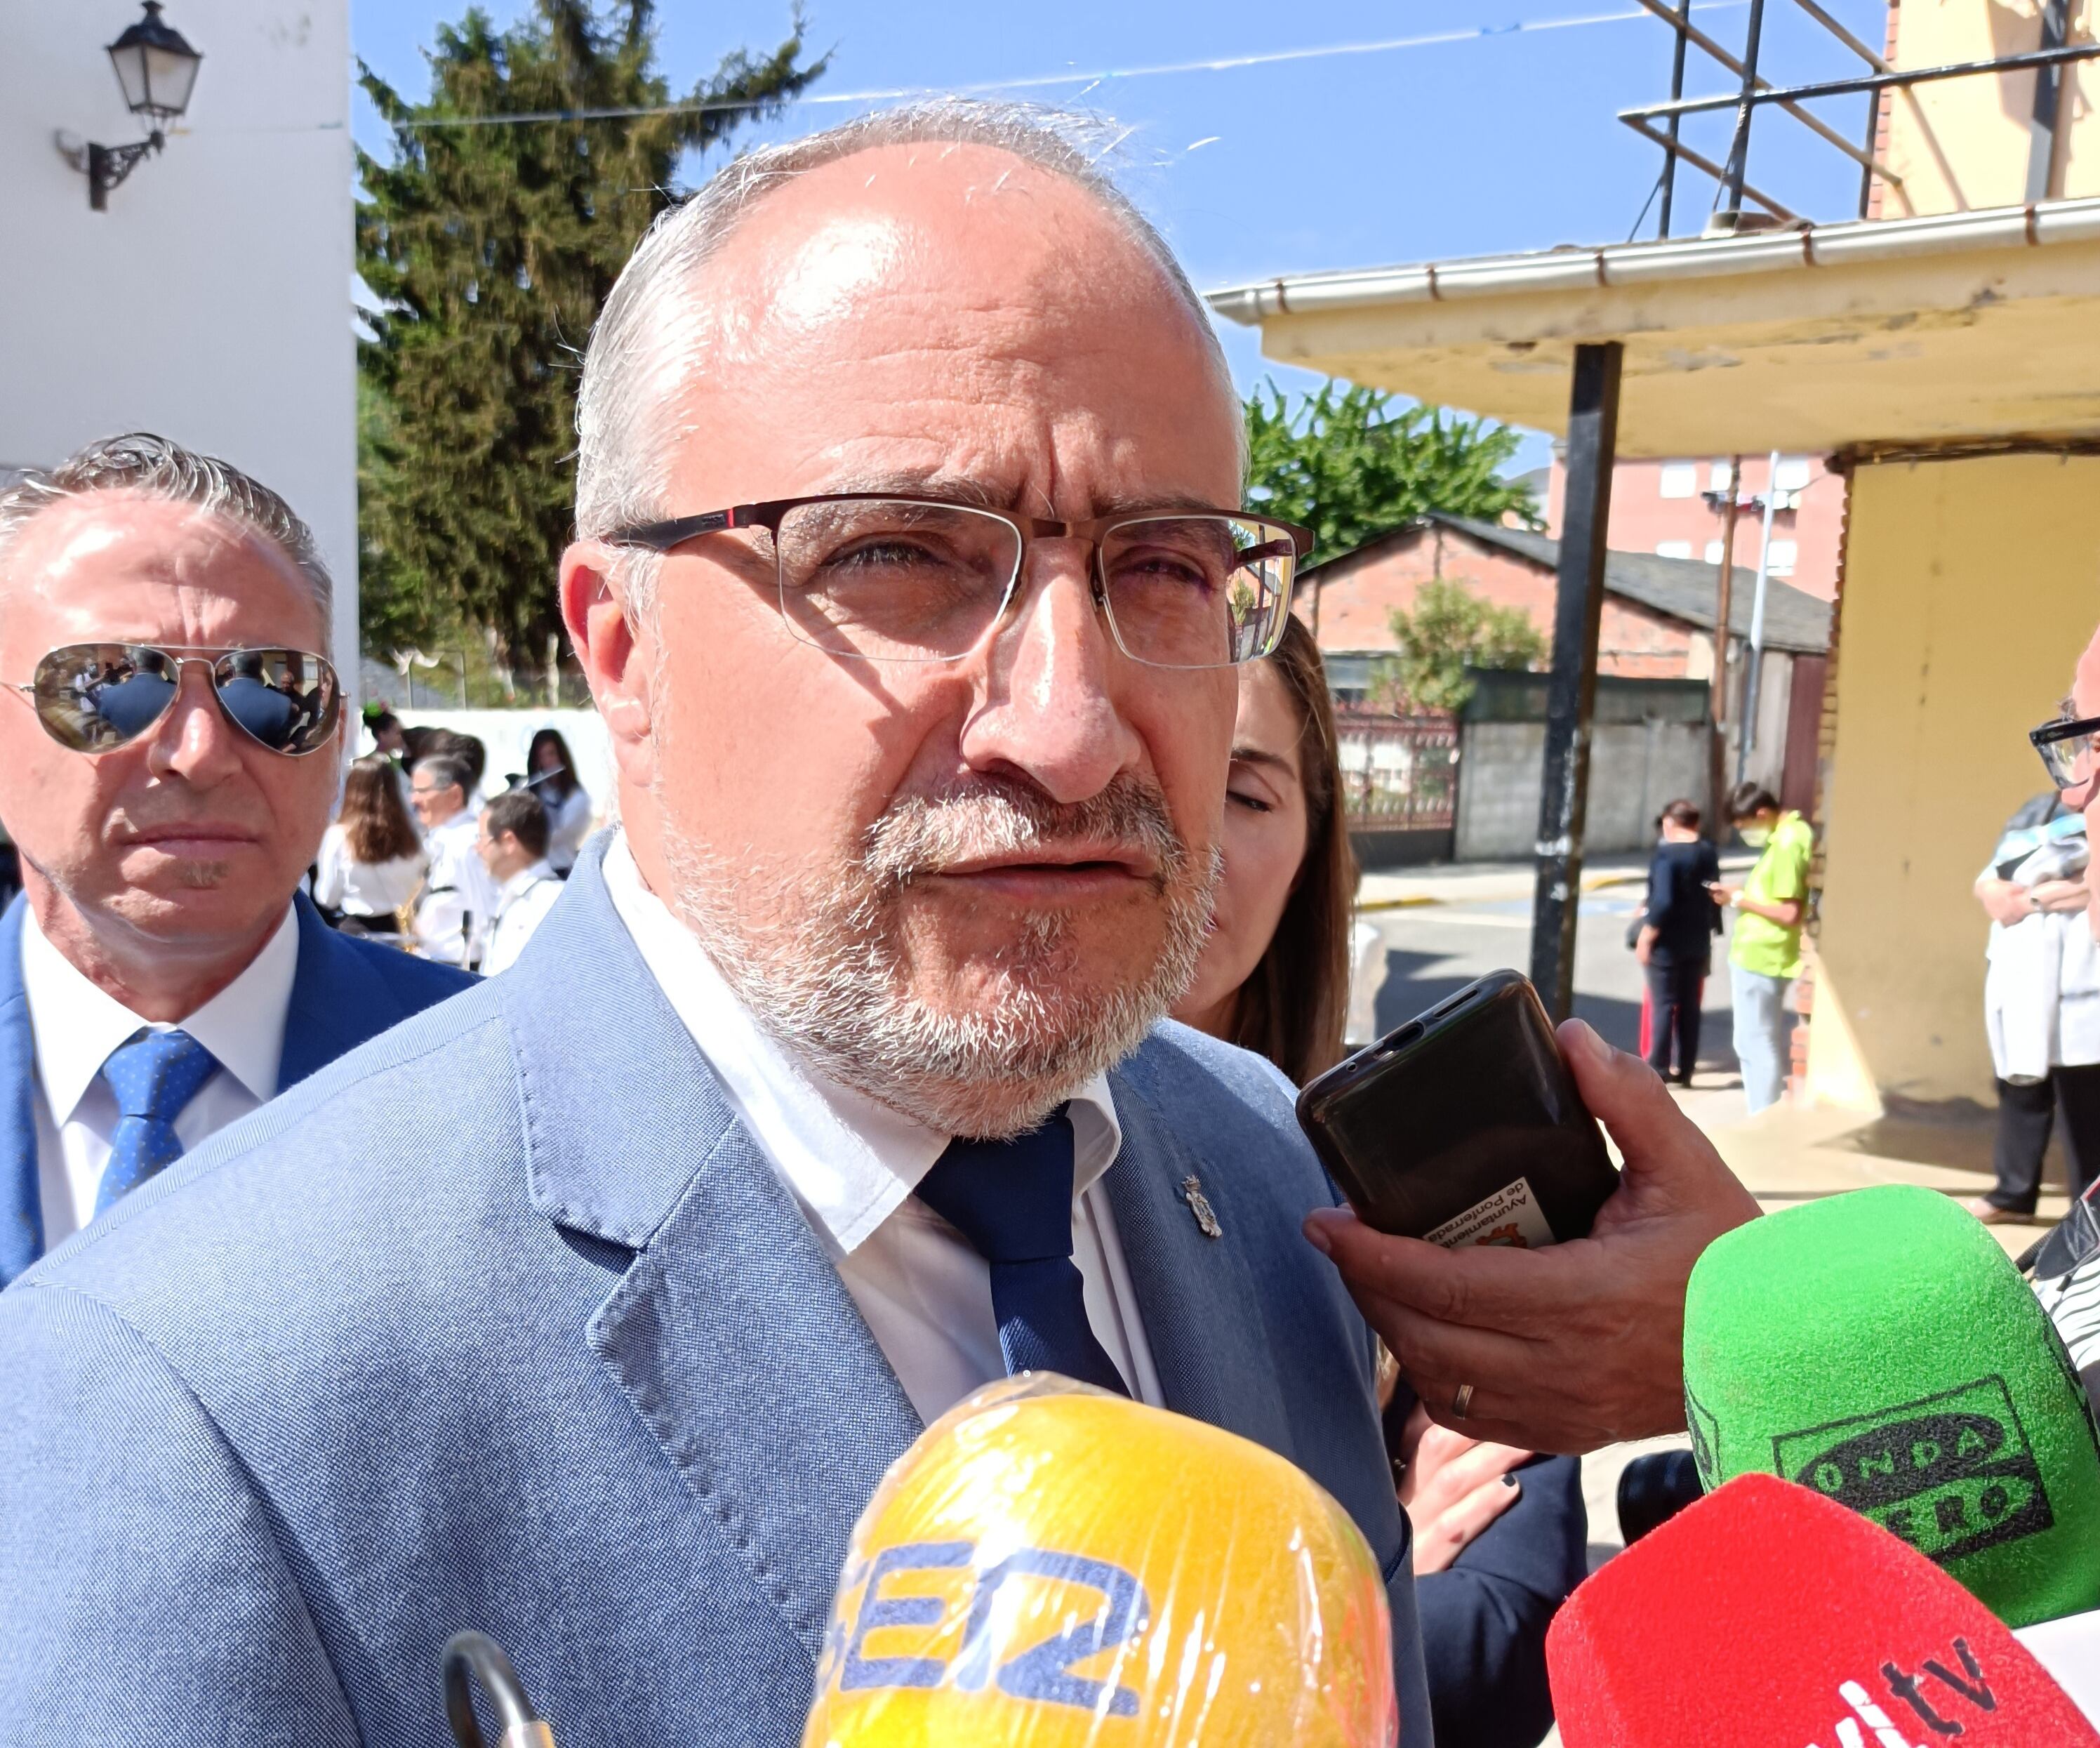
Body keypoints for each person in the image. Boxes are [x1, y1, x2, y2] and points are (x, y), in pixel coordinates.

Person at [0, 107, 1760, 1742]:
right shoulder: (181, 1397)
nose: (1070, 728)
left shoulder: (1257, 1165)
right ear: (619, 646)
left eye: (1164, 564)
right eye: (898, 556)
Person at [1171, 616, 1586, 1748]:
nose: (1183, 831)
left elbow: (1501, 1635)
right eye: (1140, 758)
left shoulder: (1426, 1148)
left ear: (1313, 847)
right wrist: (1354, 1577)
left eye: (1243, 793)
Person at [0, 432, 472, 1288]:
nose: (200, 753)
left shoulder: (498, 1078)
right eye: (107, 685)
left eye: (270, 689)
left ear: (336, 736)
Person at [1967, 788, 2100, 1224]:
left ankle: (2089, 1210)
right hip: (2021, 967)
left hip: (2081, 967)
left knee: (2084, 1090)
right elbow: (1992, 873)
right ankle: (2014, 1192)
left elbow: (2093, 883)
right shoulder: (2037, 809)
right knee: (2021, 1083)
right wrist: (1992, 891)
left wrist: (2030, 901)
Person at [1710, 783, 1814, 1115]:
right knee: (1756, 1041)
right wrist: (1741, 892)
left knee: (1755, 1043)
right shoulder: (1789, 835)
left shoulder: (1787, 844)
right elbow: (1775, 891)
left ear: (1762, 813)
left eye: (1744, 825)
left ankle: (1762, 1114)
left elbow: (1789, 912)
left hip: (1762, 954)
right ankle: (1762, 1110)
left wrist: (1740, 900)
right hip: (1764, 953)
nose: (1744, 832)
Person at [1634, 798, 1722, 1087]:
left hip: (1667, 944)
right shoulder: (1707, 852)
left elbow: (1663, 901)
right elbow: (1712, 895)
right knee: (1689, 1006)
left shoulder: (1666, 855)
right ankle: (1686, 1069)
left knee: (1663, 1005)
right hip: (1697, 940)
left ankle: (1658, 1068)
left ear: (1669, 823)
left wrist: (1647, 936)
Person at [312, 754, 427, 941]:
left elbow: (327, 897)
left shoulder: (338, 836)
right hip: (402, 933)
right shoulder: (413, 834)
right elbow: (422, 888)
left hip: (357, 933)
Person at [409, 750, 499, 967]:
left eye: (422, 791)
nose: (414, 799)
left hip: (458, 967)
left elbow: (486, 914)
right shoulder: (440, 840)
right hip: (433, 961)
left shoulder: (467, 845)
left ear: (455, 795)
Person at [476, 788, 563, 976]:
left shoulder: (551, 900)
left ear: (509, 841)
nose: (478, 849)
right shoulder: (508, 897)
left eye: (482, 839)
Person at [529, 725, 593, 874]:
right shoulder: (536, 793)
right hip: (537, 871)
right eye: (541, 757)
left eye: (551, 754)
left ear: (561, 756)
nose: (547, 762)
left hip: (562, 870)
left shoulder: (578, 798)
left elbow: (558, 836)